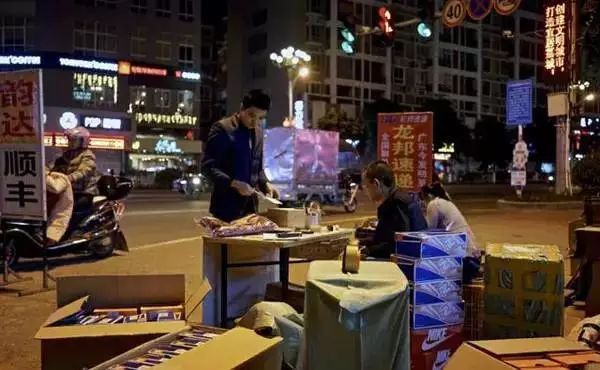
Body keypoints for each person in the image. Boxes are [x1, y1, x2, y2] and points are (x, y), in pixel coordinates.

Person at [201, 89, 279, 222]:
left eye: (260, 118)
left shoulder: (259, 133)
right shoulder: (223, 129)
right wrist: (233, 183)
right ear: (242, 108)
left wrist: (266, 183)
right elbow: (207, 167)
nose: (255, 122)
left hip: (250, 210)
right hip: (225, 210)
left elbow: (257, 167)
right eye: (251, 115)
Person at [361, 161, 428, 259]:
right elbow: (385, 238)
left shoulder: (397, 204)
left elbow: (399, 243)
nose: (366, 191)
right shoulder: (396, 199)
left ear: (376, 184)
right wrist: (362, 243)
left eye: (366, 186)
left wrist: (368, 251)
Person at [421, 181, 482, 282]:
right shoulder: (446, 202)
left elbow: (429, 231)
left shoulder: (434, 204)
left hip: (465, 260)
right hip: (473, 257)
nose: (423, 202)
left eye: (423, 198)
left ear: (429, 195)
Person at [50, 127, 100, 225]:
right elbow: (52, 167)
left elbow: (84, 171)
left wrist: (69, 178)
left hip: (84, 192)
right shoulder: (66, 155)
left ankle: (69, 231)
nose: (70, 142)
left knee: (66, 208)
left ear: (82, 141)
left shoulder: (88, 155)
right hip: (67, 191)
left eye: (73, 140)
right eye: (69, 140)